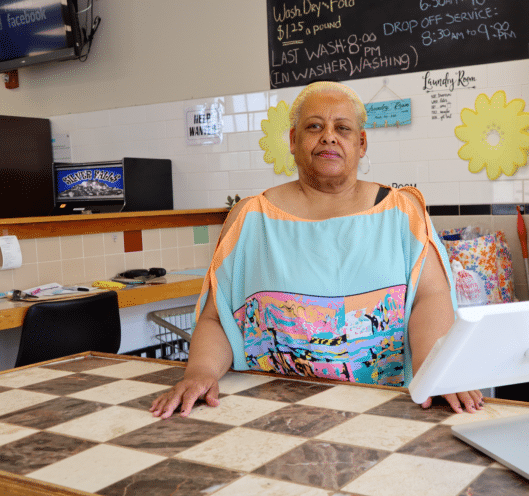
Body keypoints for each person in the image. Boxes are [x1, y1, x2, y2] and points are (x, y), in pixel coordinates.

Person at [150, 81, 483, 419]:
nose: (328, 136)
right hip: (270, 414)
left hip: (382, 413)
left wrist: (435, 370)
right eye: (314, 126)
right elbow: (218, 318)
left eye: (342, 128)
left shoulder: (402, 214)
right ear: (293, 141)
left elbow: (431, 299)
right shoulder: (251, 219)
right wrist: (199, 374)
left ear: (361, 143)